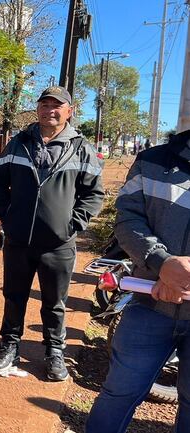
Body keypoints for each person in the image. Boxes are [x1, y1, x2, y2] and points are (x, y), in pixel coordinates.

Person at [0, 85, 104, 381]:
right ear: (38, 109)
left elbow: (93, 194)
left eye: (57, 105)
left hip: (58, 243)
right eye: (45, 104)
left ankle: (54, 351)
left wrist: (71, 224)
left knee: (55, 302)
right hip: (18, 240)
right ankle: (9, 345)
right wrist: (4, 213)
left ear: (69, 111)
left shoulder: (81, 147)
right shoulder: (18, 142)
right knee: (14, 296)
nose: (50, 110)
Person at [85, 130, 190, 433]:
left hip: (153, 299)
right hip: (148, 307)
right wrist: (162, 263)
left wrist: (180, 277)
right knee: (118, 394)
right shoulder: (151, 160)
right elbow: (128, 219)